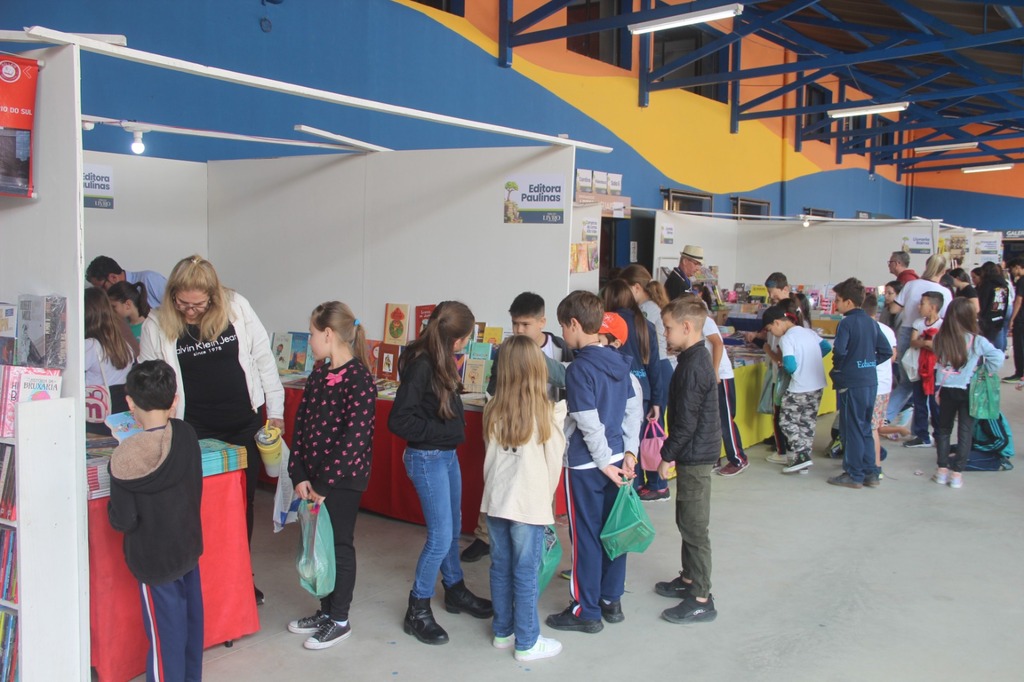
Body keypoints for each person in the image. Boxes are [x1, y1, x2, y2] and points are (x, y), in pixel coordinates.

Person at [139, 255, 283, 606]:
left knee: (242, 504)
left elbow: (264, 359)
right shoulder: (156, 324)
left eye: (198, 304)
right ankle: (202, 579)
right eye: (182, 303)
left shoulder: (237, 308)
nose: (190, 311)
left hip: (242, 423)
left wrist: (275, 413)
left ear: (213, 298)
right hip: (194, 428)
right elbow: (148, 381)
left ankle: (240, 577)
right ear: (172, 295)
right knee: (200, 506)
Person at [388, 301, 492, 645]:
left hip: (444, 457)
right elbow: (399, 419)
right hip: (427, 457)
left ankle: (455, 589)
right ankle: (416, 608)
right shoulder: (422, 364)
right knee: (439, 536)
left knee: (450, 530)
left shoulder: (440, 357)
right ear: (459, 340)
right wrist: (444, 434)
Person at [546, 291, 641, 634]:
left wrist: (602, 463)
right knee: (614, 531)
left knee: (585, 536)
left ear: (573, 324)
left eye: (563, 327)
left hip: (589, 465)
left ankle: (585, 610)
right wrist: (628, 455)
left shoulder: (580, 368)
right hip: (619, 460)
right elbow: (632, 412)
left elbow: (586, 421)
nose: (564, 335)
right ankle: (609, 600)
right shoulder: (620, 362)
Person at [287, 301, 376, 650]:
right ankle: (325, 611)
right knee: (318, 546)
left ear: (327, 333)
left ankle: (339, 618)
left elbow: (355, 437)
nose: (309, 341)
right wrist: (299, 473)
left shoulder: (359, 379)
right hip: (314, 481)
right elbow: (301, 426)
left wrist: (324, 483)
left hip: (342, 482)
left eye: (311, 334)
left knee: (339, 546)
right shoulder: (318, 374)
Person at [108, 360, 203, 682]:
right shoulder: (187, 435)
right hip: (187, 547)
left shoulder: (124, 456)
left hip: (153, 558)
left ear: (130, 403)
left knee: (165, 640)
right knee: (190, 630)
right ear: (174, 398)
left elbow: (123, 520)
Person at [465, 292, 570, 564]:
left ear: (542, 321)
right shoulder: (505, 351)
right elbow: (493, 386)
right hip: (511, 427)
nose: (519, 330)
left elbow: (569, 380)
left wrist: (531, 358)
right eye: (515, 324)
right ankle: (484, 537)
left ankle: (541, 540)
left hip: (544, 430)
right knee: (498, 485)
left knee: (539, 492)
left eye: (525, 324)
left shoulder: (560, 348)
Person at [480, 335, 567, 662]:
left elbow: (489, 457)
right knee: (526, 571)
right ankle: (528, 641)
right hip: (528, 504)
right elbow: (553, 462)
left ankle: (503, 631)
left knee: (500, 566)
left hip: (495, 501)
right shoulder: (546, 411)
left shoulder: (492, 406)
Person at [654, 298, 721, 624]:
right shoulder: (692, 358)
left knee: (694, 527)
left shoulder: (694, 365)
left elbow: (686, 422)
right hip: (693, 451)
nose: (665, 333)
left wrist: (667, 457)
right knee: (685, 520)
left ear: (686, 327)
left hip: (695, 455)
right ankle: (688, 579)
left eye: (668, 327)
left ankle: (701, 598)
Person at [932, 298, 1004, 489]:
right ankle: (957, 474)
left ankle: (941, 470)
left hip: (946, 389)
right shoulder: (977, 340)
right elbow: (997, 357)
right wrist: (985, 370)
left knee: (944, 430)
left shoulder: (940, 338)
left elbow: (938, 364)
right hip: (969, 390)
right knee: (965, 432)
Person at [603, 280, 664, 499]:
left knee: (617, 442)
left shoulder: (607, 326)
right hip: (644, 392)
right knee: (633, 444)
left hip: (614, 392)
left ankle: (621, 489)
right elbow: (655, 366)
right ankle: (636, 489)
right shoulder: (645, 324)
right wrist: (657, 401)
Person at [827, 278, 892, 489]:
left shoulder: (846, 323)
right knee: (865, 427)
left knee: (851, 428)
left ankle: (853, 474)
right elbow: (886, 351)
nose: (835, 304)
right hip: (869, 382)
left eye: (837, 300)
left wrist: (840, 369)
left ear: (848, 302)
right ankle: (871, 472)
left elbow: (840, 352)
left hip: (852, 382)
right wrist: (868, 363)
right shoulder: (871, 322)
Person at [762, 305, 831, 475]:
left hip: (799, 387)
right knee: (807, 422)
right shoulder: (808, 332)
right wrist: (809, 359)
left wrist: (791, 364)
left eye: (770, 329)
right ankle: (804, 457)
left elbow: (791, 366)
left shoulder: (786, 339)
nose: (772, 333)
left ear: (777, 322)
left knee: (786, 421)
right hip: (817, 385)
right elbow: (827, 348)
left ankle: (800, 454)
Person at [886, 253, 951, 424]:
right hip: (932, 339)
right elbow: (946, 319)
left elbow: (894, 309)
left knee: (906, 382)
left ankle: (885, 418)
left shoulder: (912, 285)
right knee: (928, 384)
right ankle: (919, 426)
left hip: (907, 333)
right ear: (943, 271)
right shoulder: (945, 292)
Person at [84, 287, 136, 435]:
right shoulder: (122, 344)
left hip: (98, 413)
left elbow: (71, 374)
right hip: (121, 414)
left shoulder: (90, 345)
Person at [904, 292, 944, 449]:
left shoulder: (943, 325)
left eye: (922, 303)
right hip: (919, 367)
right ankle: (922, 435)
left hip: (935, 369)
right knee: (919, 402)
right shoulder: (918, 323)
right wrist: (927, 343)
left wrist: (924, 342)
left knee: (935, 404)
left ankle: (940, 435)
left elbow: (939, 346)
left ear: (933, 307)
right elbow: (913, 342)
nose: (919, 306)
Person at [862, 295, 897, 471]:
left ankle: (875, 467)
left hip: (871, 385)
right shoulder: (887, 330)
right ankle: (871, 463)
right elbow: (893, 356)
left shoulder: (865, 329)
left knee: (871, 429)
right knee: (871, 427)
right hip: (883, 385)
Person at [87, 255, 167, 309]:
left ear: (113, 278)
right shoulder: (113, 302)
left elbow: (175, 308)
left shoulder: (149, 279)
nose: (103, 293)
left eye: (103, 288)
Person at [976, 261, 1009, 349]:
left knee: (986, 342)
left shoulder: (987, 283)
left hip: (987, 318)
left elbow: (983, 301)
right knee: (999, 339)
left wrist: (980, 315)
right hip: (999, 314)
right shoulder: (1003, 284)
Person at [1003, 258, 1024, 382]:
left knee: (1019, 346)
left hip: (1021, 318)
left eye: (1012, 269)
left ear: (1018, 267)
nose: (1011, 271)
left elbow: (1018, 301)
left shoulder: (1021, 281)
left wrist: (1012, 318)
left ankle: (1019, 372)